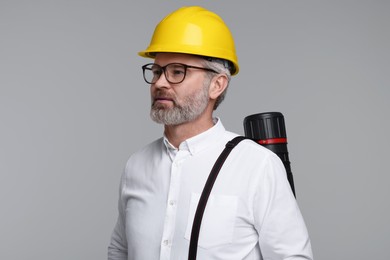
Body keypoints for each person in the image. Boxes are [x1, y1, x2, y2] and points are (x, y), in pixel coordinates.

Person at [108, 6, 313, 260]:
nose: (160, 82)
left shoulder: (258, 167)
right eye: (157, 71)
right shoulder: (136, 166)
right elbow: (120, 250)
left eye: (177, 71)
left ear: (217, 84)